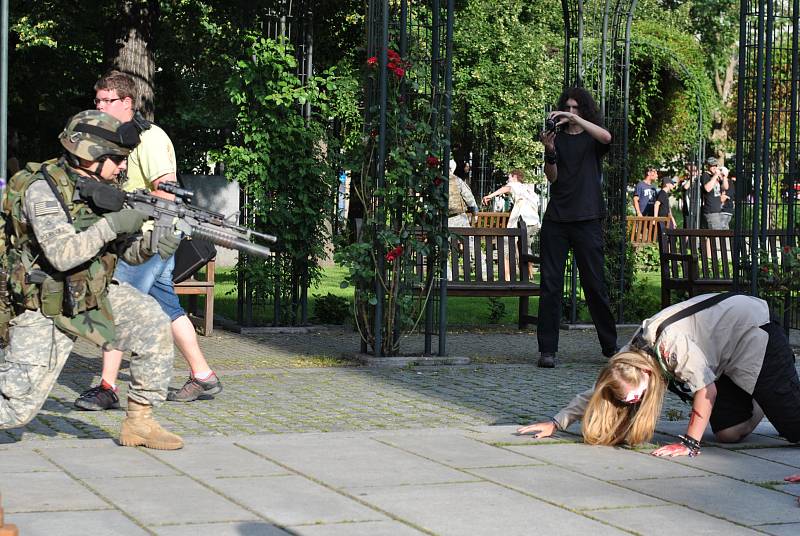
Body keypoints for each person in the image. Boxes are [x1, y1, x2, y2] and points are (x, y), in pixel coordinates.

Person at [0, 110, 183, 450]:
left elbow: (123, 252)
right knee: (14, 407)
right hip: (45, 305)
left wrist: (151, 246)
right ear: (91, 153)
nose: (122, 167)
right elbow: (62, 254)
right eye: (117, 159)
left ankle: (140, 422)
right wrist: (113, 224)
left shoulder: (102, 187)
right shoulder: (42, 189)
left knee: (152, 323)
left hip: (89, 294)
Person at [74, 71, 221, 411]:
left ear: (126, 102)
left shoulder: (149, 138)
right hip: (136, 235)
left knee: (116, 304)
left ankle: (108, 387)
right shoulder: (117, 137)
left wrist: (123, 206)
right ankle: (203, 376)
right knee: (168, 307)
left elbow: (166, 193)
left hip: (151, 238)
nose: (98, 106)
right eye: (96, 100)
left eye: (105, 100)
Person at [518, 293, 800, 457]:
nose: (634, 403)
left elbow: (706, 392)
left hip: (753, 333)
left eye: (637, 397)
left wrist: (689, 444)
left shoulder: (670, 346)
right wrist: (556, 423)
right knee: (727, 434)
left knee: (794, 429)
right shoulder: (628, 357)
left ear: (646, 372)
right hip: (720, 357)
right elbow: (597, 392)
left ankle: (771, 387)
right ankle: (760, 398)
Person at [537, 87, 618, 368]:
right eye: (566, 108)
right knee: (550, 285)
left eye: (575, 108)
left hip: (587, 219)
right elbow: (552, 177)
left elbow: (607, 137)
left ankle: (610, 347)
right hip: (557, 219)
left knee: (594, 284)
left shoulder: (593, 138)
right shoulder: (556, 139)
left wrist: (577, 120)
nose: (570, 113)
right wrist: (549, 151)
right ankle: (547, 350)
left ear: (583, 110)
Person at [481, 169, 541, 254]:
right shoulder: (528, 189)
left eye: (509, 177)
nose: (507, 180)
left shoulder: (514, 185)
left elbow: (507, 188)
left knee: (507, 245)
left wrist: (490, 196)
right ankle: (526, 267)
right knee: (525, 249)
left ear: (515, 177)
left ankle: (507, 266)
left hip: (524, 222)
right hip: (534, 222)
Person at [448, 159, 478, 227]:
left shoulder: (437, 181)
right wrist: (475, 212)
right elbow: (468, 197)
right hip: (459, 219)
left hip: (442, 220)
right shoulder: (457, 180)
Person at [701, 157, 728, 230]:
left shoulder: (717, 177)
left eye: (716, 165)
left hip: (717, 210)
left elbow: (725, 187)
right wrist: (715, 176)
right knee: (715, 237)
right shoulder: (705, 175)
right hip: (710, 211)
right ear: (708, 166)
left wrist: (724, 176)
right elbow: (707, 188)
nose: (714, 167)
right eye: (712, 165)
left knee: (711, 237)